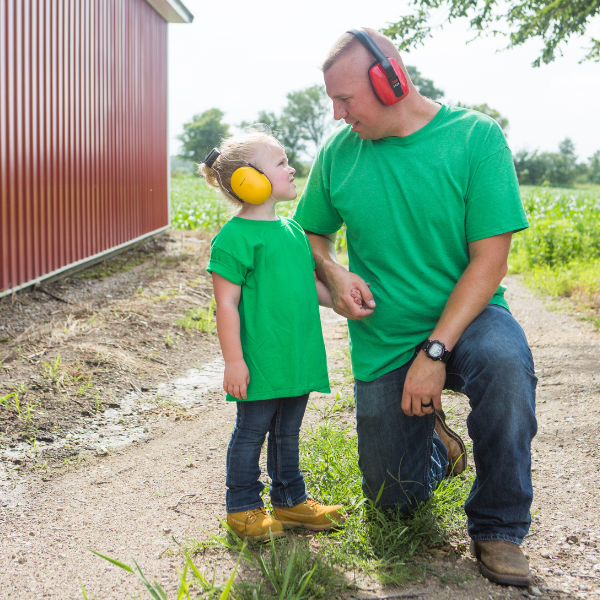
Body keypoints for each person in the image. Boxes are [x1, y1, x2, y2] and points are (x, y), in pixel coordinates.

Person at [293, 28, 537, 586]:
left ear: (391, 80)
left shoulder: (475, 138)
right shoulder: (339, 153)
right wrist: (332, 268)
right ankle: (438, 446)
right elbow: (307, 235)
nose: (336, 114)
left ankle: (499, 528)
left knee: (504, 364)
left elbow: (489, 264)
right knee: (392, 505)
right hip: (385, 339)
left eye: (345, 99)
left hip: (470, 320)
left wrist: (435, 350)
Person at [201, 128, 346, 540]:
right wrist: (234, 360)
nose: (292, 168)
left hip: (296, 354)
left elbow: (310, 287)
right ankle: (242, 506)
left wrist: (343, 299)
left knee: (288, 430)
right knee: (252, 431)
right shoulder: (234, 239)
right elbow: (225, 304)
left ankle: (290, 501)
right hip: (261, 359)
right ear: (250, 179)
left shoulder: (294, 232)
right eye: (281, 163)